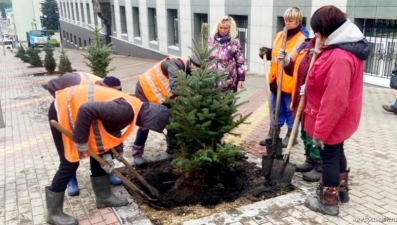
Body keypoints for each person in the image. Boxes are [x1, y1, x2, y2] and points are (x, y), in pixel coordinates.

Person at [45, 84, 170, 225]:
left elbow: (112, 127)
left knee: (101, 151)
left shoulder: (133, 108)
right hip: (63, 110)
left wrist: (108, 153)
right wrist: (80, 141)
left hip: (79, 113)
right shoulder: (125, 110)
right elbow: (86, 109)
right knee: (69, 163)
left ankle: (103, 196)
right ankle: (53, 213)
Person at [302, 5, 369, 216]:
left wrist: (320, 132)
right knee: (337, 152)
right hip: (342, 117)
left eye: (317, 30)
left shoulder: (339, 56)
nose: (316, 35)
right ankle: (342, 191)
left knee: (329, 156)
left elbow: (335, 99)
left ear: (327, 28)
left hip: (333, 118)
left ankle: (328, 201)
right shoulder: (343, 47)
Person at [46, 72, 124, 197]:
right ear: (100, 86)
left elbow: (112, 128)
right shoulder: (75, 80)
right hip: (64, 117)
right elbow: (51, 85)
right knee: (69, 156)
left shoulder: (113, 98)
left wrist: (115, 153)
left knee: (99, 148)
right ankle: (71, 181)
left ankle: (104, 187)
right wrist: (65, 104)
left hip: (87, 117)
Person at [131, 56, 202, 168]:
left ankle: (172, 148)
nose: (198, 74)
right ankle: (137, 153)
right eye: (198, 71)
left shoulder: (189, 70)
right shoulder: (174, 65)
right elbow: (175, 87)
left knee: (173, 117)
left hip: (163, 94)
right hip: (145, 88)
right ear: (192, 65)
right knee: (145, 121)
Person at [258, 6, 309, 148]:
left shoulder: (303, 39)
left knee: (290, 111)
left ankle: (291, 136)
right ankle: (273, 132)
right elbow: (274, 54)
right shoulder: (280, 35)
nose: (287, 22)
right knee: (275, 109)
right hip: (276, 81)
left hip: (291, 84)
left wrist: (287, 59)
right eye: (286, 20)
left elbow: (301, 62)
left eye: (291, 20)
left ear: (298, 20)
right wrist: (266, 52)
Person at [280, 38, 322, 182]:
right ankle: (309, 160)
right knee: (304, 132)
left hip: (316, 101)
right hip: (301, 98)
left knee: (313, 133)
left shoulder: (328, 49)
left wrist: (312, 86)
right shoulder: (306, 47)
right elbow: (297, 71)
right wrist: (286, 62)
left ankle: (320, 166)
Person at [207, 16, 246, 93]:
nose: (222, 30)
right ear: (217, 27)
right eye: (220, 28)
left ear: (230, 29)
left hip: (228, 81)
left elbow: (240, 61)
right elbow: (207, 57)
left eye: (225, 28)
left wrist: (241, 79)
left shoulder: (234, 41)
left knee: (228, 104)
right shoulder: (211, 40)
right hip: (212, 80)